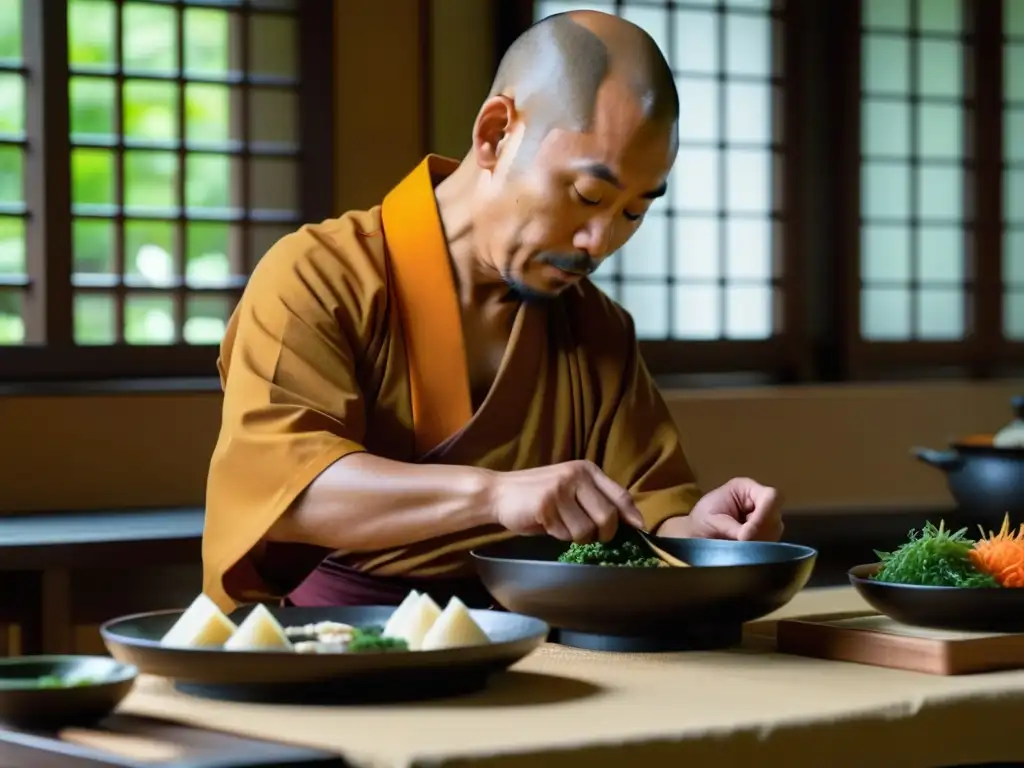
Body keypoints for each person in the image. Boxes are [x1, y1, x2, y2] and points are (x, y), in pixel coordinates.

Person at [201, 10, 784, 612]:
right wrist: (494, 495)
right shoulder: (318, 276)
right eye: (587, 195)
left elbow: (650, 518)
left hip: (540, 651)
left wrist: (705, 533)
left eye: (633, 213)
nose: (599, 242)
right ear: (496, 133)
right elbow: (286, 494)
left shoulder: (596, 328)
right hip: (342, 647)